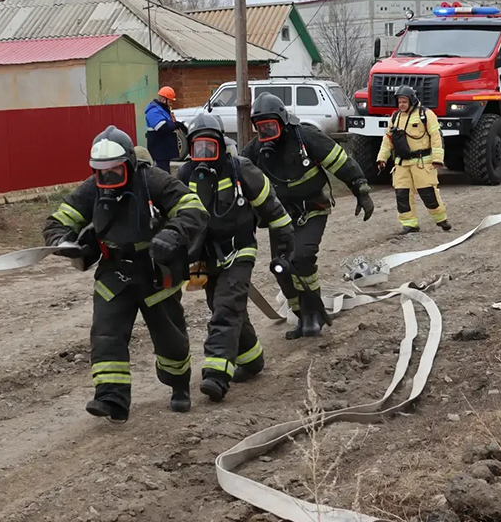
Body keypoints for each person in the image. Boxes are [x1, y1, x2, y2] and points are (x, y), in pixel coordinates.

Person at [42, 125, 208, 423]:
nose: (107, 179)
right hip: (114, 271)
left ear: (129, 164)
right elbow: (57, 221)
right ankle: (112, 398)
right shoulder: (93, 188)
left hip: (156, 270)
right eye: (100, 172)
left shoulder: (152, 181)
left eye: (114, 172)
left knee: (170, 340)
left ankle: (178, 384)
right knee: (106, 334)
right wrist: (62, 242)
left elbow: (193, 208)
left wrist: (172, 234)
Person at [177, 113, 294, 402]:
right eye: (197, 148)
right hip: (206, 258)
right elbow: (177, 220)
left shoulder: (242, 170)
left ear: (221, 145)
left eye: (210, 148)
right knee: (225, 308)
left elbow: (273, 210)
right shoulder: (185, 176)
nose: (203, 156)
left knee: (226, 309)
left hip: (239, 250)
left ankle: (216, 374)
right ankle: (252, 359)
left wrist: (284, 247)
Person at [243, 93, 374, 340]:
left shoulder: (306, 137)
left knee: (301, 258)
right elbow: (238, 175)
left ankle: (314, 313)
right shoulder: (256, 150)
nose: (266, 132)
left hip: (312, 209)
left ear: (282, 119)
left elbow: (340, 161)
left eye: (270, 125)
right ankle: (303, 316)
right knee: (281, 268)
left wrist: (361, 189)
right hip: (280, 219)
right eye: (261, 128)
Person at [375, 85, 451, 234]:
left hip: (422, 162)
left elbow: (436, 137)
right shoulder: (395, 117)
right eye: (399, 102)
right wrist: (381, 159)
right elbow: (387, 140)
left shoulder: (426, 115)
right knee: (402, 195)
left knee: (428, 193)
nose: (401, 105)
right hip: (401, 164)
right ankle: (410, 224)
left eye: (404, 101)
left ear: (412, 101)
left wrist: (437, 159)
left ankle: (441, 219)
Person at [145, 87, 180, 172]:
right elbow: (162, 128)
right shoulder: (154, 111)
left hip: (164, 151)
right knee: (162, 173)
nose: (171, 104)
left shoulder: (162, 110)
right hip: (159, 151)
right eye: (170, 101)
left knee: (165, 172)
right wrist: (176, 125)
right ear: (164, 100)